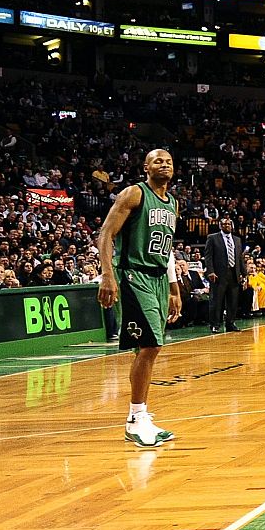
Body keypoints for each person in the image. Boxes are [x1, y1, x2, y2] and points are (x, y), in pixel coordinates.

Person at [95, 148, 183, 448]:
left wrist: (174, 288)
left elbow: (167, 248)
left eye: (169, 161)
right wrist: (107, 275)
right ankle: (135, 418)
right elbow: (105, 234)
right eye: (158, 160)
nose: (165, 164)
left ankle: (141, 415)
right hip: (134, 274)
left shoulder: (173, 203)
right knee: (150, 346)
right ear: (146, 166)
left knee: (146, 348)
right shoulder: (134, 194)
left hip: (158, 278)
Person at [205, 217, 244, 332]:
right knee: (216, 301)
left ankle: (230, 323)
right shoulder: (212, 238)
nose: (227, 225)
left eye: (229, 224)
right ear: (220, 226)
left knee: (233, 301)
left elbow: (239, 258)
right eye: (224, 224)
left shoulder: (237, 239)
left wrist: (244, 273)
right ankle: (215, 325)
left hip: (233, 273)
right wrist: (210, 271)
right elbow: (208, 256)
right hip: (218, 274)